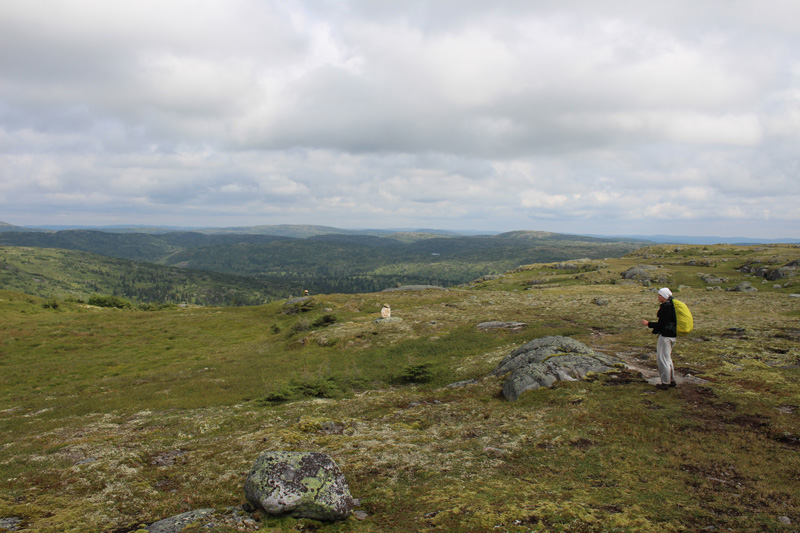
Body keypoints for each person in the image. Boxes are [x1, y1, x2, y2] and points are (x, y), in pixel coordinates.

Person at [642, 287, 677, 390]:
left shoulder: (667, 307)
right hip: (672, 335)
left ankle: (665, 382)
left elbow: (662, 324)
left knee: (663, 359)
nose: (658, 297)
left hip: (666, 336)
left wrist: (648, 324)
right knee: (667, 358)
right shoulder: (672, 306)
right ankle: (671, 380)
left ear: (664, 296)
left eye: (659, 295)